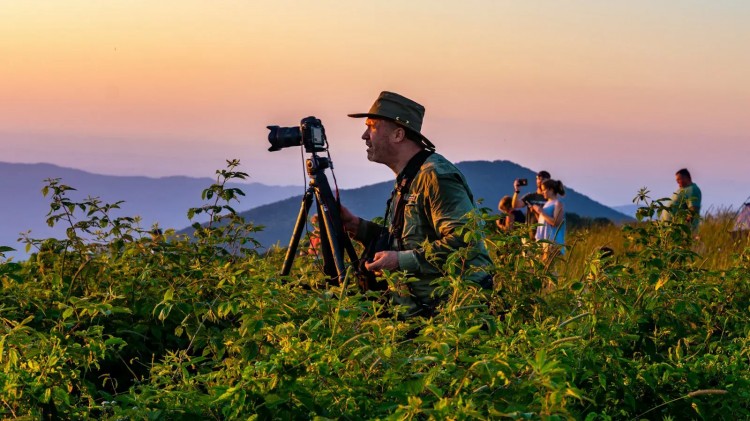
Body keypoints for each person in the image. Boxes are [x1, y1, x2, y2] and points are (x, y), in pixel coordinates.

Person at [340, 91, 492, 318]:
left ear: (398, 134)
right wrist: (356, 226)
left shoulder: (436, 176)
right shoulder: (409, 177)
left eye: (372, 126)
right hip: (424, 314)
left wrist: (399, 261)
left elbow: (464, 243)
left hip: (453, 317)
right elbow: (410, 239)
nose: (364, 135)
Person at [529, 179, 566, 263]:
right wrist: (536, 212)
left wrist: (540, 211)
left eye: (544, 190)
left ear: (551, 190)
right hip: (544, 241)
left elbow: (555, 222)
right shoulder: (547, 203)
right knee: (543, 269)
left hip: (552, 242)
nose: (542, 192)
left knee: (548, 270)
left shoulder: (557, 204)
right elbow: (544, 222)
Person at [511, 170, 551, 240]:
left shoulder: (550, 199)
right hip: (530, 235)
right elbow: (515, 205)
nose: (540, 181)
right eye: (538, 178)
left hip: (546, 235)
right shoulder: (530, 197)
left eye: (543, 179)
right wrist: (517, 190)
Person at [661, 168, 702, 232]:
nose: (677, 182)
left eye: (679, 179)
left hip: (679, 230)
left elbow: (693, 209)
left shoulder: (692, 189)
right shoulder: (683, 189)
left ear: (686, 178)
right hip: (671, 228)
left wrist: (685, 225)